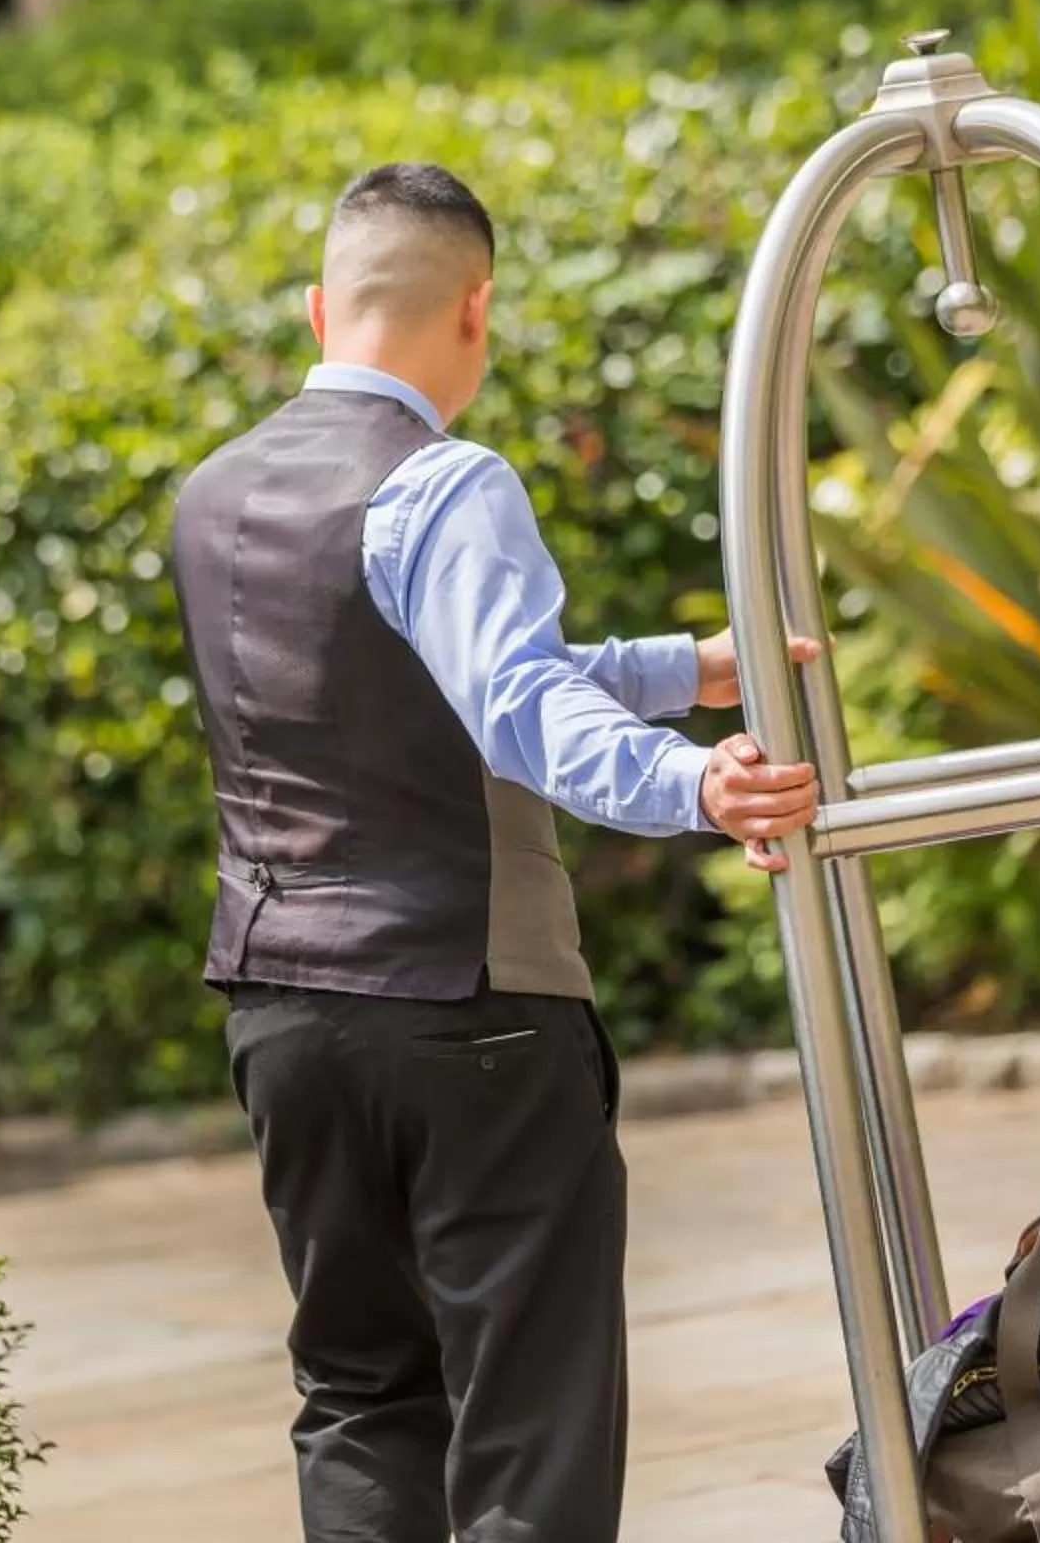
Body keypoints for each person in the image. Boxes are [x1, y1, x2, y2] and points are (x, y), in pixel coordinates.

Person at [166, 161, 824, 1543]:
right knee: (530, 1422)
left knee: (357, 1394)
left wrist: (666, 668)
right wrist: (701, 784)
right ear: (477, 311)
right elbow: (516, 707)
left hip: (282, 1015)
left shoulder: (211, 498)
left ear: (316, 309)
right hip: (473, 1014)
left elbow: (418, 680)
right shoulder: (445, 485)